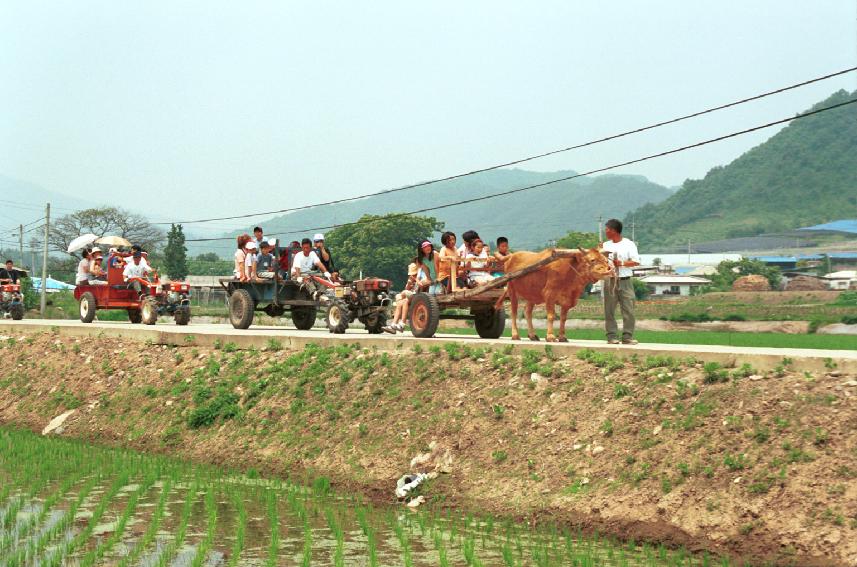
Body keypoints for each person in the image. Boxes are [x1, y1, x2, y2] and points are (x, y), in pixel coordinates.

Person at [602, 218, 640, 345]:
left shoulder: (629, 244)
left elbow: (636, 261)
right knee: (609, 310)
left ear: (614, 231)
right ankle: (612, 336)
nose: (605, 231)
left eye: (607, 229)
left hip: (625, 281)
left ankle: (627, 336)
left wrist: (621, 263)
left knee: (629, 309)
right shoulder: (605, 246)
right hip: (610, 280)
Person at [383, 262, 430, 333]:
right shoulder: (411, 278)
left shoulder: (422, 276)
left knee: (403, 298)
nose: (413, 275)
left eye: (414, 274)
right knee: (400, 302)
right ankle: (394, 324)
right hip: (411, 295)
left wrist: (416, 281)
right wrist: (409, 284)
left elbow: (419, 288)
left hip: (418, 295)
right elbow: (407, 289)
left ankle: (402, 324)